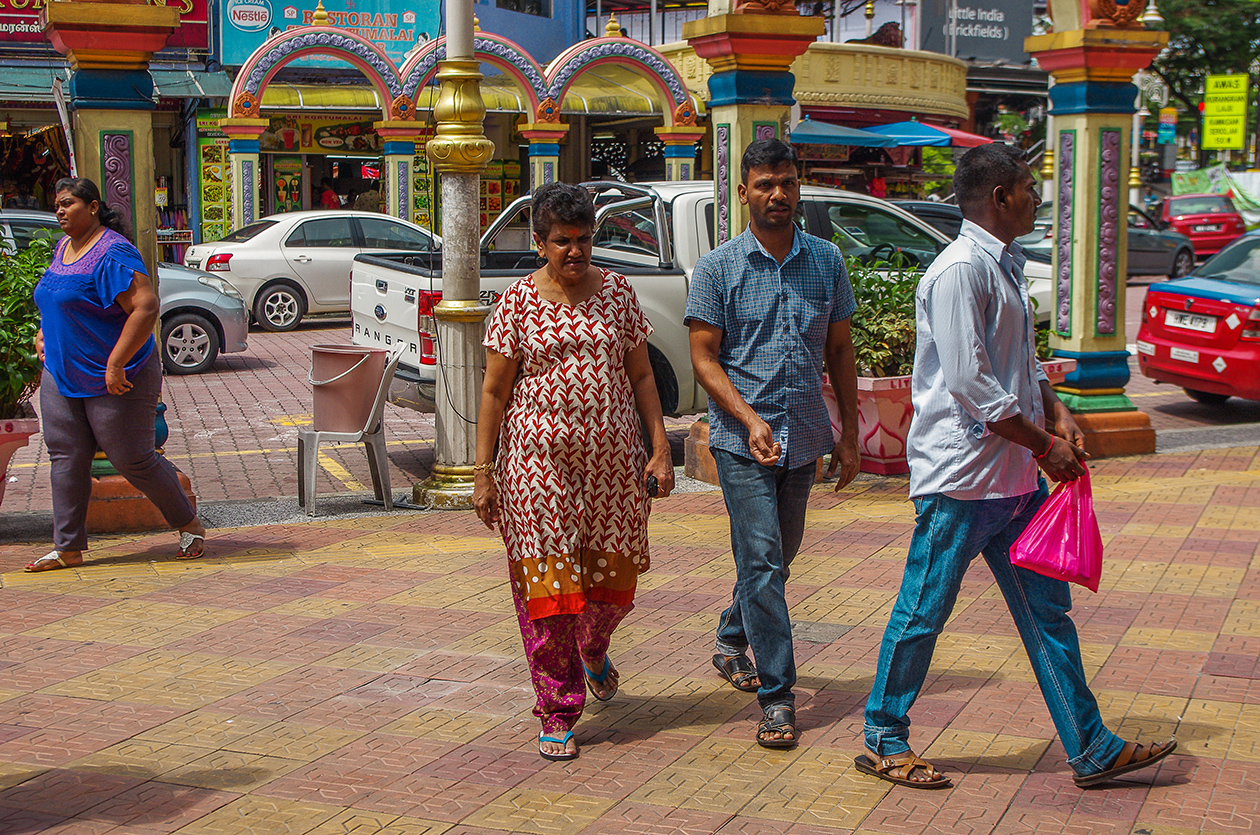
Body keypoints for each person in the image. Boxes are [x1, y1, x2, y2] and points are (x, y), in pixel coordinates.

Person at [858, 144, 1175, 789]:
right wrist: (1043, 444)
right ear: (1001, 196)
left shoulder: (1001, 267)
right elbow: (972, 384)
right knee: (922, 612)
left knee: (1047, 614)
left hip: (1012, 481)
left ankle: (1089, 745)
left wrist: (1055, 411)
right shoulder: (958, 272)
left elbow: (1017, 367)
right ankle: (883, 736)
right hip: (962, 480)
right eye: (1029, 187)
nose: (1036, 198)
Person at [472, 182, 674, 762]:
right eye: (562, 241)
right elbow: (492, 389)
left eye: (584, 240)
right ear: (540, 243)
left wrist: (659, 447)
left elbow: (641, 377)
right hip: (537, 470)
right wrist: (483, 472)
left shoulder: (617, 294)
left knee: (611, 591)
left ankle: (593, 648)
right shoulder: (516, 305)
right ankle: (557, 709)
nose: (575, 251)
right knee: (550, 592)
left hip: (614, 470)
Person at [684, 138, 860, 749]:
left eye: (786, 183)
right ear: (744, 192)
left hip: (806, 435)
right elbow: (704, 359)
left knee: (778, 560)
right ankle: (778, 697)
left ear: (798, 187)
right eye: (764, 185)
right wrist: (748, 418)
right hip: (741, 443)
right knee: (761, 562)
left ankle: (732, 636)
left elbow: (839, 350)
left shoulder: (827, 261)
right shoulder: (718, 268)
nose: (777, 194)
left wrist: (852, 434)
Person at [27, 177, 207, 572]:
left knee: (133, 459)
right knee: (66, 457)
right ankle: (67, 547)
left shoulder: (113, 252)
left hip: (118, 374)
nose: (60, 211)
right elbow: (54, 300)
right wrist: (43, 336)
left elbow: (146, 306)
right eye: (57, 205)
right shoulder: (64, 247)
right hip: (61, 371)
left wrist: (115, 362)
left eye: (69, 203)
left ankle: (188, 524)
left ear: (92, 207)